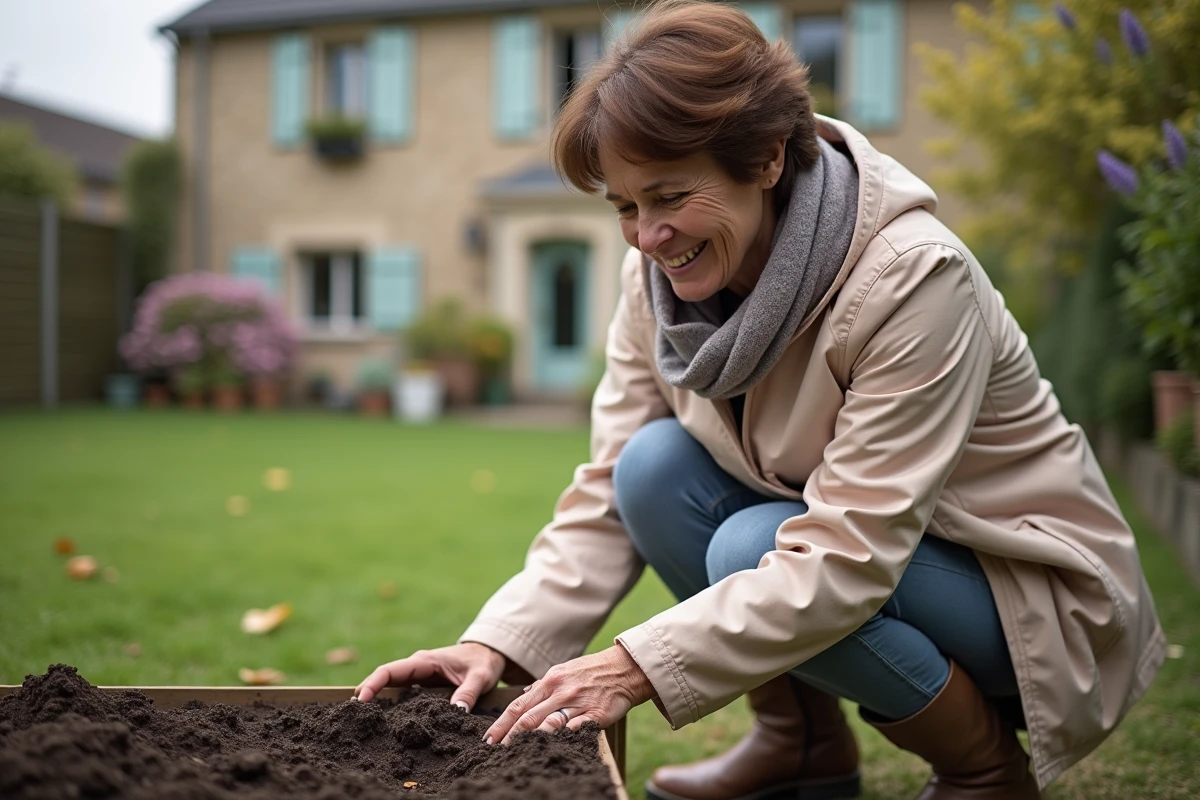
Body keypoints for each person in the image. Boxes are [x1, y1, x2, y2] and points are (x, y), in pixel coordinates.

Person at [356, 2, 1165, 798]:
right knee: (651, 470)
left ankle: (984, 773)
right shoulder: (658, 290)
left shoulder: (913, 278)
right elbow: (607, 493)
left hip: (1028, 598)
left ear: (769, 158)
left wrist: (635, 666)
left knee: (751, 546)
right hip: (865, 565)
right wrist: (497, 645)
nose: (646, 236)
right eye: (627, 208)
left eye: (671, 197)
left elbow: (850, 553)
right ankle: (801, 744)